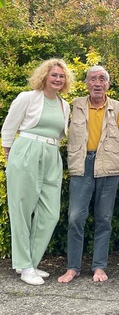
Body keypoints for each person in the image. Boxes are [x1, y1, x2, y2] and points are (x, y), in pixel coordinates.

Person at [2, 59, 73, 285]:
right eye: (54, 75)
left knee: (50, 213)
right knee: (22, 209)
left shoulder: (65, 105)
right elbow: (9, 127)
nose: (57, 79)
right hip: (27, 151)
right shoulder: (28, 97)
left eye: (61, 76)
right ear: (44, 76)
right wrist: (9, 157)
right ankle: (24, 266)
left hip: (52, 155)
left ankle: (30, 262)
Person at [58, 66, 119, 283]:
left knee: (104, 218)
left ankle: (99, 266)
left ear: (108, 84)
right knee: (75, 218)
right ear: (86, 83)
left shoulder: (118, 108)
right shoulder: (75, 105)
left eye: (102, 79)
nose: (97, 83)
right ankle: (73, 267)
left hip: (107, 166)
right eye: (93, 79)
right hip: (81, 165)